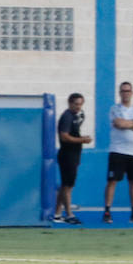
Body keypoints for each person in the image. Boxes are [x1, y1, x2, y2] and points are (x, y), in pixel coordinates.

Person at [103, 81, 133, 224]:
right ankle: (107, 211)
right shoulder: (114, 109)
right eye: (123, 91)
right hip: (118, 151)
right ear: (120, 93)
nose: (125, 93)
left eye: (128, 91)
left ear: (132, 93)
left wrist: (130, 124)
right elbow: (119, 124)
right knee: (112, 181)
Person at [53, 92, 90, 224]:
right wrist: (82, 140)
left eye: (80, 104)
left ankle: (57, 213)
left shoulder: (77, 115)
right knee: (68, 186)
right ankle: (69, 214)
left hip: (74, 154)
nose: (78, 107)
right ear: (70, 103)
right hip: (67, 155)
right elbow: (64, 136)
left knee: (65, 185)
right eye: (76, 104)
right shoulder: (67, 117)